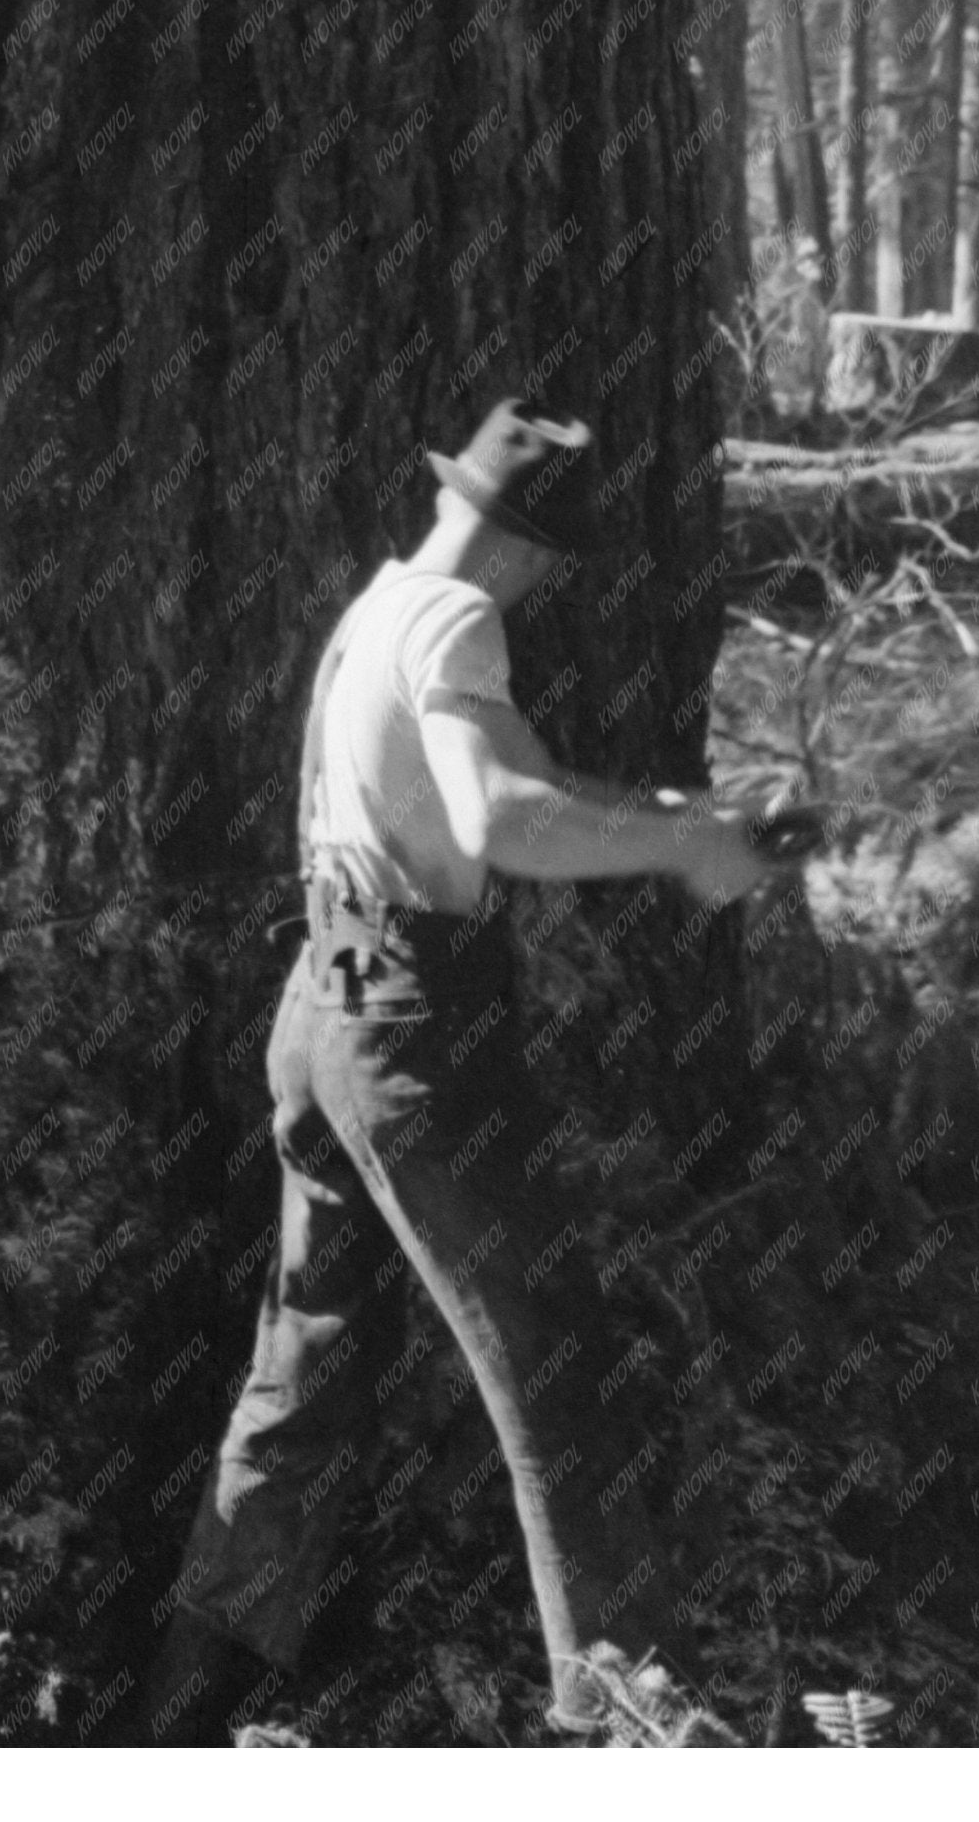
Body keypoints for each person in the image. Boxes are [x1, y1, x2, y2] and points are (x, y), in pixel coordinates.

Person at [147, 399, 793, 1745]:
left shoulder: (381, 608)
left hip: (320, 1008)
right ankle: (634, 1724)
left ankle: (187, 1694)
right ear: (540, 556)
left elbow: (484, 791)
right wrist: (685, 853)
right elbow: (501, 818)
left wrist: (682, 816)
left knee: (306, 1363)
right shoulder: (460, 622)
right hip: (410, 1036)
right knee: (555, 1363)